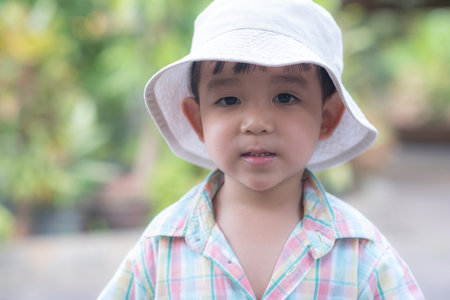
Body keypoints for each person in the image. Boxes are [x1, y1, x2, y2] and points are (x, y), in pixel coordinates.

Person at [99, 0, 424, 299]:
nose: (256, 123)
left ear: (327, 117)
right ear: (197, 120)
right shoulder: (162, 248)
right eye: (229, 100)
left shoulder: (361, 254)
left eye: (285, 97)